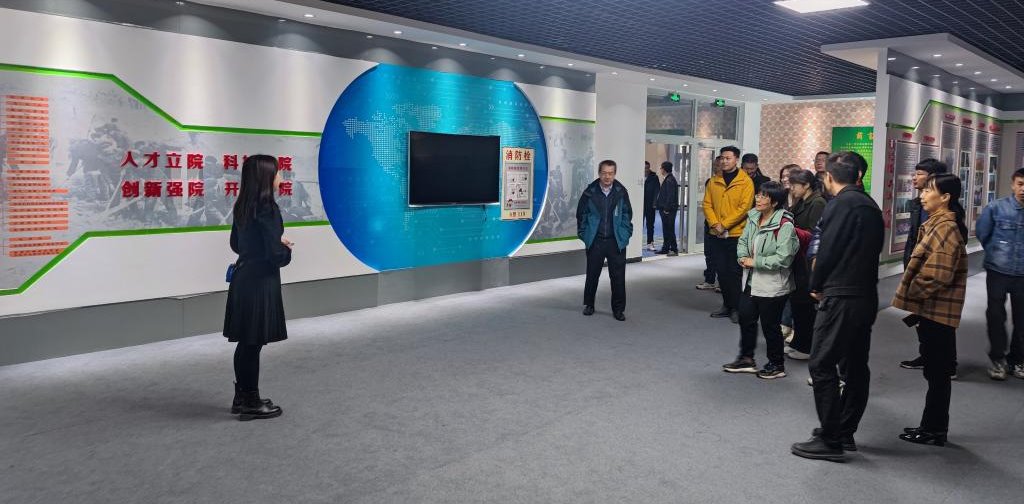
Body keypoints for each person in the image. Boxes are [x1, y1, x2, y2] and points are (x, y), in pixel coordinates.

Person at [790, 152, 884, 462]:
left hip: (841, 296)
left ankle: (831, 438)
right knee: (855, 366)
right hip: (864, 295)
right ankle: (844, 431)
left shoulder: (841, 204)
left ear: (828, 177)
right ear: (859, 175)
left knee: (821, 364)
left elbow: (829, 249)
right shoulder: (869, 205)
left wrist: (815, 284)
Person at [893, 173, 968, 446]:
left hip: (937, 312)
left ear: (945, 197)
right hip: (933, 311)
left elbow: (938, 275)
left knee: (937, 374)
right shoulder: (937, 224)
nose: (922, 195)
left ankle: (933, 430)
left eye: (928, 190)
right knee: (935, 373)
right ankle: (932, 427)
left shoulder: (945, 228)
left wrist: (912, 292)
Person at [223, 155, 293, 421]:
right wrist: (284, 248)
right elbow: (276, 256)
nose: (281, 177)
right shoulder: (268, 208)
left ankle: (242, 396)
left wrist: (269, 244)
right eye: (278, 172)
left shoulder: (242, 205)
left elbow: (236, 244)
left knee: (246, 342)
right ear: (266, 177)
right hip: (260, 283)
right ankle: (251, 402)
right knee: (253, 344)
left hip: (243, 278)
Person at [722, 181, 798, 379]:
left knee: (770, 326)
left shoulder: (784, 225)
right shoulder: (754, 217)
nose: (758, 198)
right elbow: (743, 240)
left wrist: (755, 262)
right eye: (758, 195)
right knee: (746, 318)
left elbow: (784, 258)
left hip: (772, 285)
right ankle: (746, 358)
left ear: (774, 202)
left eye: (764, 196)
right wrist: (742, 257)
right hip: (750, 281)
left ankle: (777, 364)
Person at [899, 159, 955, 375]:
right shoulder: (917, 204)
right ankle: (928, 356)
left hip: (933, 272)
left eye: (920, 174)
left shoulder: (947, 216)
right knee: (923, 319)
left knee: (940, 319)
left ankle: (947, 364)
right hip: (918, 266)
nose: (914, 177)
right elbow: (914, 239)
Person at [976, 167, 1024, 380]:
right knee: (996, 316)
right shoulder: (996, 208)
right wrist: (996, 253)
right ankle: (998, 359)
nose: (1023, 189)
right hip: (998, 271)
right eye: (1020, 184)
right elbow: (983, 233)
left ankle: (1017, 359)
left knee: (1022, 320)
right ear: (1013, 184)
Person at [703, 146, 754, 324]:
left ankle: (737, 308)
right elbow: (707, 204)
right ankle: (726, 305)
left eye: (728, 158)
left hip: (736, 234)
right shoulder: (714, 180)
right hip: (716, 234)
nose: (724, 161)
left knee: (735, 272)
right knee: (721, 271)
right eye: (722, 158)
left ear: (736, 159)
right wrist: (715, 224)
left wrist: (724, 225)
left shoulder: (745, 181)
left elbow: (744, 208)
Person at [577, 159, 633, 322]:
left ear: (615, 174)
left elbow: (627, 214)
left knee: (618, 277)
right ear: (599, 173)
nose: (607, 177)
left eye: (610, 173)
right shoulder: (590, 192)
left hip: (616, 241)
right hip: (596, 241)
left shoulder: (621, 192)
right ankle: (589, 304)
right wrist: (585, 234)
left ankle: (618, 309)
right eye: (604, 173)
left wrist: (624, 234)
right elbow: (581, 214)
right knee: (592, 275)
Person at [783, 169, 826, 361]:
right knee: (797, 304)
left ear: (806, 185)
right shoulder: (801, 201)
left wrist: (791, 230)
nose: (791, 189)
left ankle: (806, 346)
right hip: (798, 259)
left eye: (794, 185)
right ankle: (798, 341)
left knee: (806, 306)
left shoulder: (817, 203)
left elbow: (813, 233)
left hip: (808, 261)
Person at [697, 157, 724, 291]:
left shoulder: (731, 183)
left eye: (718, 165)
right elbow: (707, 204)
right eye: (714, 165)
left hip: (724, 225)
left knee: (722, 256)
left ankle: (722, 282)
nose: (715, 168)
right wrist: (712, 222)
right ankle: (709, 280)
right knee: (709, 254)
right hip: (710, 224)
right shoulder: (710, 182)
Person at [655, 161, 680, 256]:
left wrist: (666, 208)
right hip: (667, 209)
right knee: (666, 229)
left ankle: (674, 249)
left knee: (669, 229)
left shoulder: (669, 180)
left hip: (668, 210)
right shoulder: (669, 179)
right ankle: (666, 248)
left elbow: (670, 196)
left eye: (661, 168)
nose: (660, 170)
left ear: (664, 169)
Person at [643, 161, 660, 251]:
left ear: (649, 168)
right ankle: (635, 245)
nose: (646, 170)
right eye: (644, 168)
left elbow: (657, 190)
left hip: (650, 205)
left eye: (647, 168)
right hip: (640, 205)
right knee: (638, 224)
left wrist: (654, 203)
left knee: (650, 225)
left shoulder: (654, 177)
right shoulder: (638, 175)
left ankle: (650, 243)